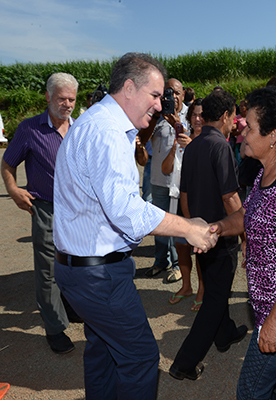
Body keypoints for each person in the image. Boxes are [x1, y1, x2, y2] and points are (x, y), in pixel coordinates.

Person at [53, 52, 218, 399]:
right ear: (129, 87)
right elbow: (127, 212)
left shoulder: (97, 123)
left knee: (103, 351)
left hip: (82, 271)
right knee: (140, 357)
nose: (160, 106)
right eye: (156, 95)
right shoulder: (107, 132)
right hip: (99, 277)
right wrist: (188, 227)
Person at [211, 86, 276, 400]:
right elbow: (247, 216)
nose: (241, 126)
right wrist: (215, 228)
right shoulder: (265, 173)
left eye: (250, 124)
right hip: (266, 309)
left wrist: (275, 322)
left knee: (250, 392)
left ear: (272, 135)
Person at [170, 89, 248, 381]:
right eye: (234, 117)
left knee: (216, 289)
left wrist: (192, 230)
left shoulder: (193, 146)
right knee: (215, 298)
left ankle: (225, 333)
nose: (234, 123)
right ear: (226, 116)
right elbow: (230, 197)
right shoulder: (221, 146)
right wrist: (244, 231)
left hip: (200, 234)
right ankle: (184, 363)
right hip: (221, 234)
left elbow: (185, 195)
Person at [1, 72, 80, 354]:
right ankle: (55, 327)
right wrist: (13, 190)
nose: (67, 104)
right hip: (45, 207)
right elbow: (7, 164)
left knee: (73, 262)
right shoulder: (29, 129)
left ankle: (69, 306)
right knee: (47, 271)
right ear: (47, 97)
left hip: (77, 210)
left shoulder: (80, 128)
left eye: (71, 99)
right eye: (61, 98)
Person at [139, 78, 190, 283]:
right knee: (159, 224)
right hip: (159, 179)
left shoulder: (192, 113)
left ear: (183, 94)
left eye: (176, 92)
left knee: (178, 225)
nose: (173, 97)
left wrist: (176, 122)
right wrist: (155, 117)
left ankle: (178, 265)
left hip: (181, 181)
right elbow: (141, 140)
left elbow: (191, 140)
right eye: (168, 92)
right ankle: (161, 261)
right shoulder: (156, 114)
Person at [163, 98, 205, 311]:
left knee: (198, 248)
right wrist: (175, 149)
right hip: (178, 198)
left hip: (198, 201)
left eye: (201, 115)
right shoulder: (181, 137)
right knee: (181, 245)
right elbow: (166, 169)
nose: (197, 119)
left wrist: (193, 148)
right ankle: (186, 286)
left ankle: (201, 290)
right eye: (194, 115)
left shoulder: (208, 140)